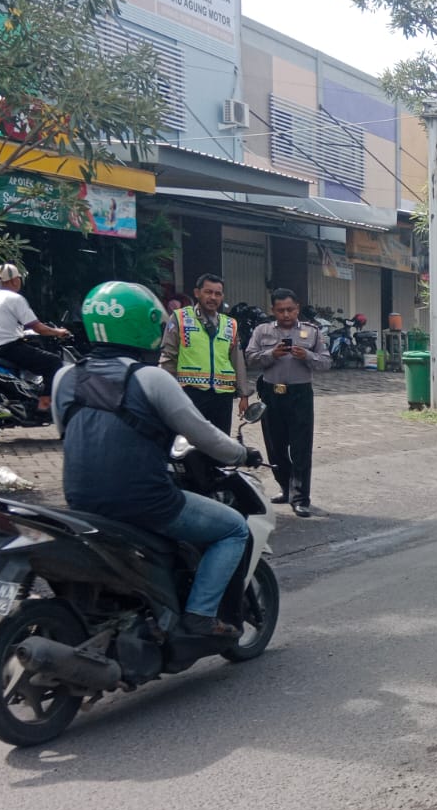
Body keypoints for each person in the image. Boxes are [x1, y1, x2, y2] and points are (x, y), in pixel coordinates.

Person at [54, 282, 262, 640]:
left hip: (80, 502)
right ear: (146, 323)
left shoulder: (64, 377)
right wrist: (243, 453)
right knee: (233, 529)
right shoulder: (150, 379)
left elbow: (67, 435)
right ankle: (199, 614)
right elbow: (204, 435)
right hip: (147, 502)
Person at [245, 288, 331, 518]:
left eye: (290, 310)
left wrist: (308, 356)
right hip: (272, 394)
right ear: (273, 310)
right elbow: (250, 358)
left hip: (300, 395)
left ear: (297, 309)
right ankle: (286, 488)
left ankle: (301, 498)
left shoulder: (311, 332)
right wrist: (272, 354)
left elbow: (326, 362)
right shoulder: (262, 331)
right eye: (280, 310)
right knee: (275, 447)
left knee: (301, 448)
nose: (285, 314)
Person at [160, 273, 245, 435]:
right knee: (189, 443)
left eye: (218, 294)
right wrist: (165, 392)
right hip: (191, 393)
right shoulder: (180, 317)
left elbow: (237, 361)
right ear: (197, 293)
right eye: (208, 292)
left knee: (219, 444)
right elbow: (168, 357)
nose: (213, 297)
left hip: (222, 396)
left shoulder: (230, 324)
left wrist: (244, 394)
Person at [0, 263, 72, 379]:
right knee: (53, 362)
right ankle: (46, 397)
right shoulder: (15, 298)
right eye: (19, 278)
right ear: (15, 281)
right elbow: (39, 328)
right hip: (6, 348)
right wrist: (59, 332)